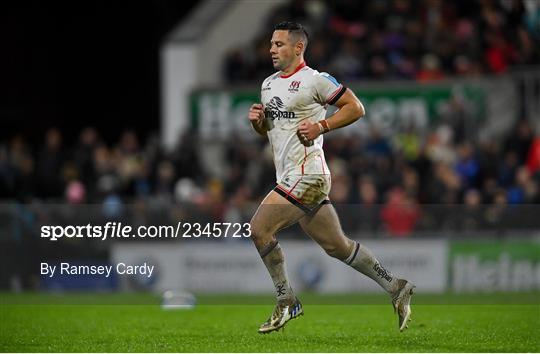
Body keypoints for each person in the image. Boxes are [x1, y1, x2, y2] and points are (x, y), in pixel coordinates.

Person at [247, 21, 415, 334]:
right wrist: (258, 123)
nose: (272, 49)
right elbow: (272, 131)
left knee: (259, 229)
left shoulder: (316, 80)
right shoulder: (269, 84)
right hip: (289, 176)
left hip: (308, 174)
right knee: (338, 246)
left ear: (298, 48)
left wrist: (322, 127)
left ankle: (286, 301)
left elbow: (356, 107)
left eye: (279, 44)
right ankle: (396, 286)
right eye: (271, 44)